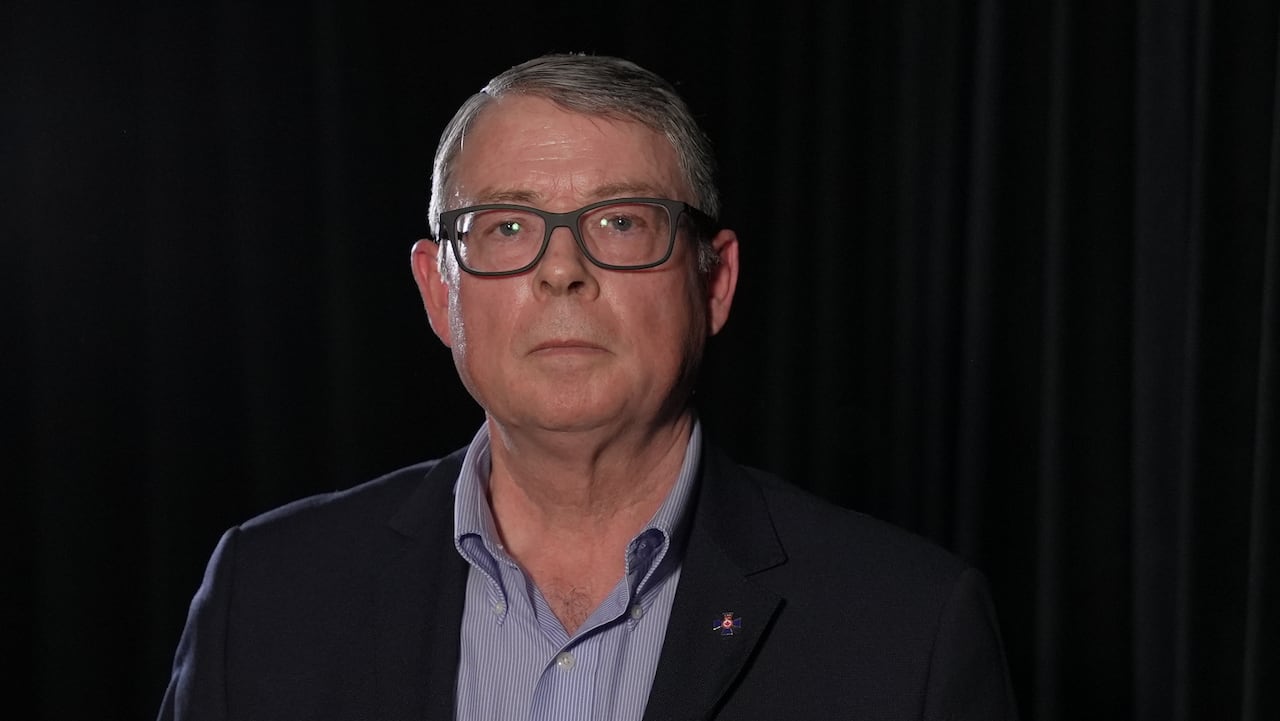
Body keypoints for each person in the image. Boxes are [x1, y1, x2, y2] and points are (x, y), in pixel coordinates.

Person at [157, 52, 1018, 721]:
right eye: (505, 226)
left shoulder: (908, 631)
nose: (562, 270)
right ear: (436, 291)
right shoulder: (266, 596)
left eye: (620, 221)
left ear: (713, 283)